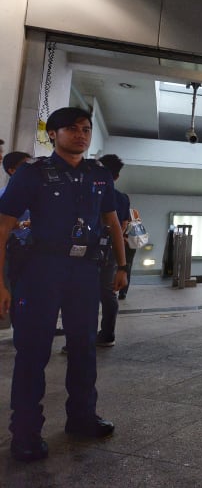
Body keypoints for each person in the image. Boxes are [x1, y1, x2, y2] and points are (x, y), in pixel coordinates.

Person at [0, 107, 129, 462]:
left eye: (85, 129)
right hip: (40, 270)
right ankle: (25, 433)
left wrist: (121, 266)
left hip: (84, 271)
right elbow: (4, 226)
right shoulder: (31, 174)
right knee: (33, 351)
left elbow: (112, 221)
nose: (81, 135)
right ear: (53, 134)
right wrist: (1, 283)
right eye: (71, 128)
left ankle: (82, 418)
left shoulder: (98, 175)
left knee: (84, 348)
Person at [95, 154, 132, 346]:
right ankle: (107, 334)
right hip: (110, 249)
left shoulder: (90, 192)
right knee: (107, 292)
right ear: (116, 177)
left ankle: (80, 338)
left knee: (84, 292)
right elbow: (123, 226)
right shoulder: (122, 198)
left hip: (86, 250)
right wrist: (122, 266)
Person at [1, 151, 33, 323]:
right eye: (25, 166)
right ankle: (19, 324)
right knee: (19, 289)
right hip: (16, 249)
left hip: (36, 249)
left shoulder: (35, 193)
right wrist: (24, 224)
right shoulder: (5, 194)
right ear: (12, 170)